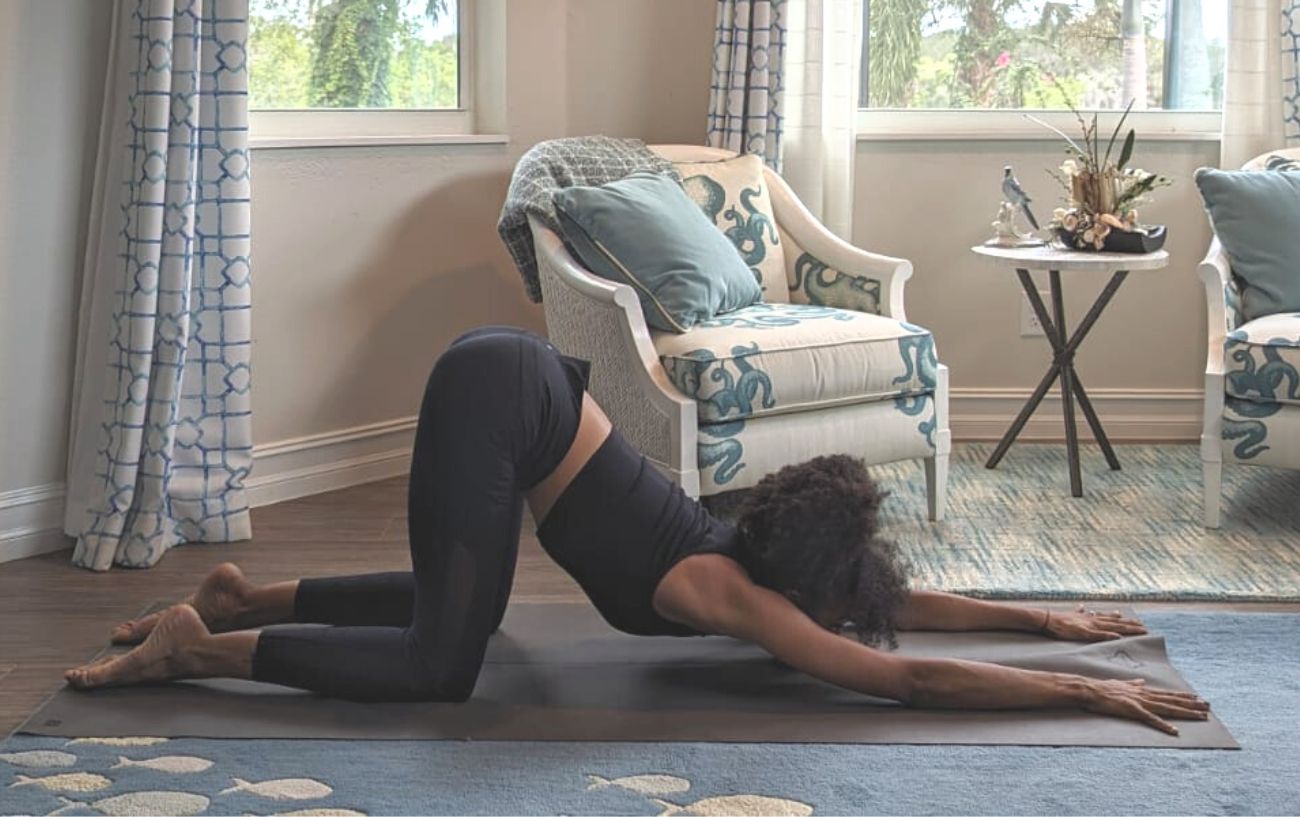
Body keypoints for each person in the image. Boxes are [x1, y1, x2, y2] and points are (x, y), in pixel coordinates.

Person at [67, 327, 1210, 736]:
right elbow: (903, 681)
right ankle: (193, 646)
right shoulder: (734, 592)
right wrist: (1082, 689)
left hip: (510, 382)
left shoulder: (755, 543)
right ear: (795, 589)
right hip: (502, 398)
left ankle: (239, 597)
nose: (840, 616)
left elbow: (898, 613)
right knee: (442, 668)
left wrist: (1047, 620)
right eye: (832, 601)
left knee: (465, 604)